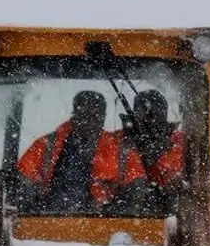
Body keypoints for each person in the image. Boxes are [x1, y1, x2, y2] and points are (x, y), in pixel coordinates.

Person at [17, 90, 146, 212]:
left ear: (103, 117)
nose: (89, 121)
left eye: (95, 116)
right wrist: (33, 206)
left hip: (106, 227)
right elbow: (22, 182)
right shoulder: (46, 146)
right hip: (46, 224)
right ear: (74, 115)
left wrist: (116, 209)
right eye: (83, 115)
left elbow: (136, 191)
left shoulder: (122, 150)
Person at [114, 89, 185, 188]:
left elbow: (178, 180)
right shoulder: (116, 141)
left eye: (154, 115)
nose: (150, 121)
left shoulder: (180, 142)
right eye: (143, 116)